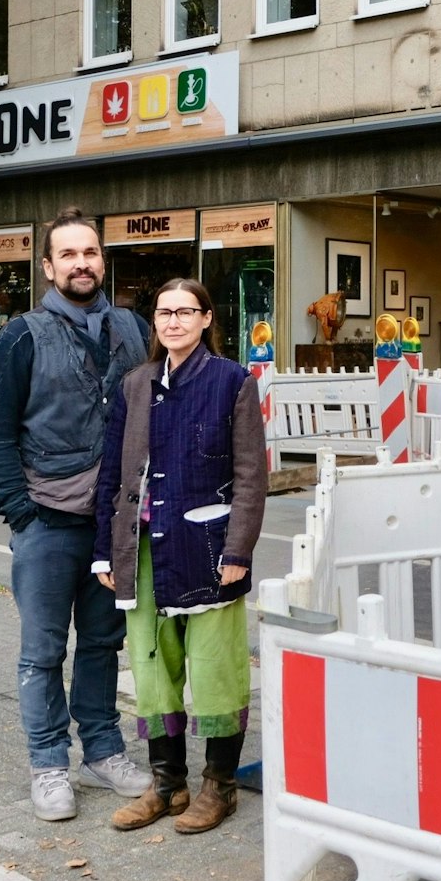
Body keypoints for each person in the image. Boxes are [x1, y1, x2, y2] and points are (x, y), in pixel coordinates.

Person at [0, 206, 154, 822]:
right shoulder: (21, 336)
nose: (82, 264)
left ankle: (102, 751)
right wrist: (20, 513)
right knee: (43, 651)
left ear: (102, 261)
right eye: (69, 255)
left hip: (114, 524)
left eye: (90, 253)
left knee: (104, 642)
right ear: (48, 267)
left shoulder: (133, 328)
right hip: (48, 520)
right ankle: (49, 762)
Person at [93, 278, 267, 833]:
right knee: (151, 668)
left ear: (206, 318)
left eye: (185, 312)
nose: (173, 321)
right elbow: (113, 475)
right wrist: (104, 553)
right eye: (164, 313)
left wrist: (239, 550)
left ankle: (220, 785)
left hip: (207, 546)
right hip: (142, 548)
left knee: (215, 668)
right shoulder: (135, 384)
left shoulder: (232, 381)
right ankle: (167, 783)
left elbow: (251, 476)